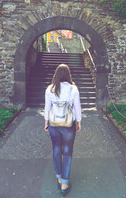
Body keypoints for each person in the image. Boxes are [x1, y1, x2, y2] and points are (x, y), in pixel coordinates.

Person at [44, 64, 81, 197]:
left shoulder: (50, 89)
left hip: (54, 124)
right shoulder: (73, 89)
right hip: (68, 124)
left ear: (56, 74)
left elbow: (47, 107)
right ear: (68, 74)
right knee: (67, 152)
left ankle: (59, 178)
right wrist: (78, 122)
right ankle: (64, 184)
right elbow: (77, 107)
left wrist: (46, 122)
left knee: (56, 150)